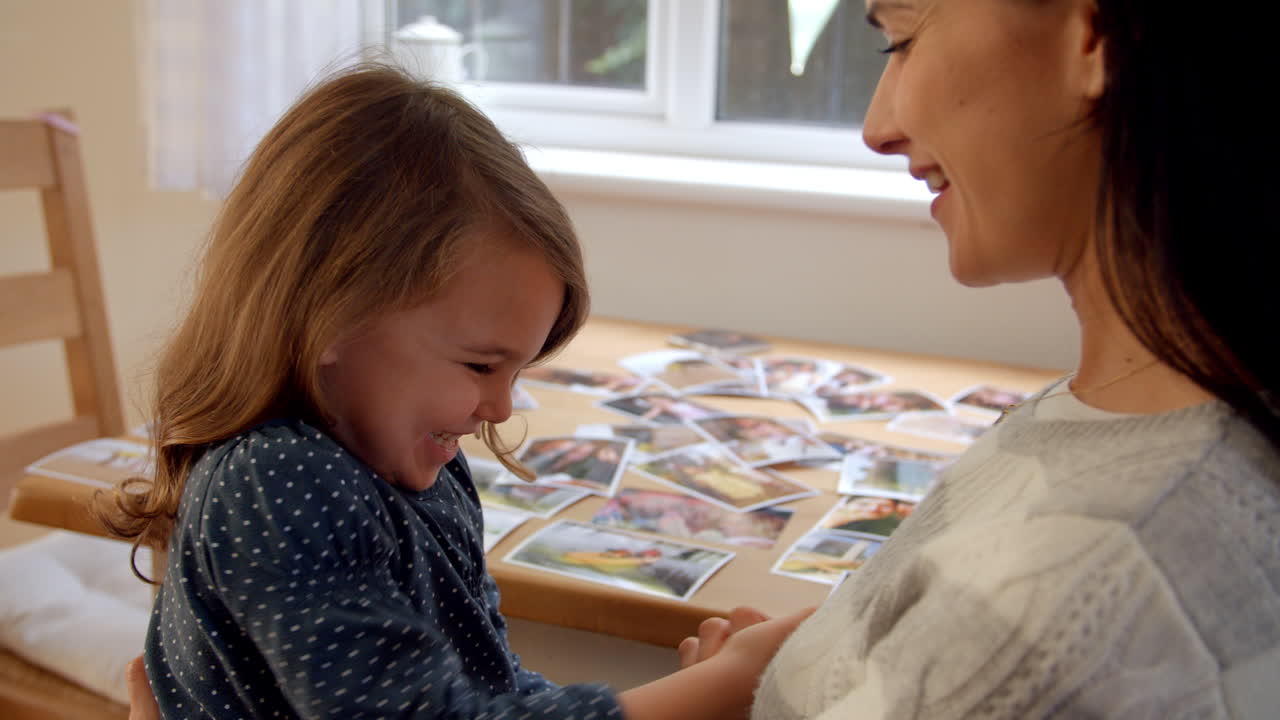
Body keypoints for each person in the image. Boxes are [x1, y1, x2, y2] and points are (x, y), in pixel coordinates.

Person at [98, 62, 811, 719]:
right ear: (332, 317)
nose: (500, 409)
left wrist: (686, 695)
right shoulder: (276, 479)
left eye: (516, 372)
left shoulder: (422, 470)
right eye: (479, 366)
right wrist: (718, 687)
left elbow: (483, 688)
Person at [751, 0, 1279, 718]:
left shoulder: (1075, 591)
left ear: (1095, 37)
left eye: (900, 43)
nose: (877, 129)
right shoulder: (1137, 407)